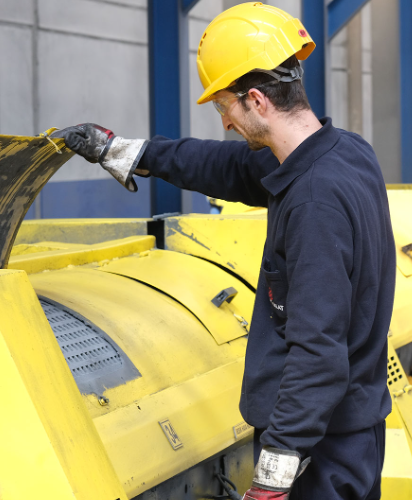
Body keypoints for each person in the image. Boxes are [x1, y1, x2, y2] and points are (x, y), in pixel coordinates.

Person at [51, 4, 393, 499]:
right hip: (347, 432)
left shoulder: (314, 202)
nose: (226, 122)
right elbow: (225, 166)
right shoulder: (344, 152)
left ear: (256, 100)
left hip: (319, 449)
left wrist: (274, 475)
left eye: (223, 106)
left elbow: (317, 350)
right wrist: (125, 151)